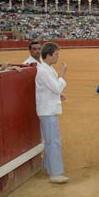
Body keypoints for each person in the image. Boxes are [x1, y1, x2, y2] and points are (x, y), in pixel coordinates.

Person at [35, 42, 68, 184]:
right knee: (53, 141)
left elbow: (50, 90)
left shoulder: (46, 68)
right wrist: (62, 75)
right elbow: (56, 87)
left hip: (47, 109)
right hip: (47, 111)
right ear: (48, 55)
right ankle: (55, 173)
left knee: (50, 141)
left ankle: (49, 167)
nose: (57, 57)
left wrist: (58, 95)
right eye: (55, 54)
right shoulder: (44, 70)